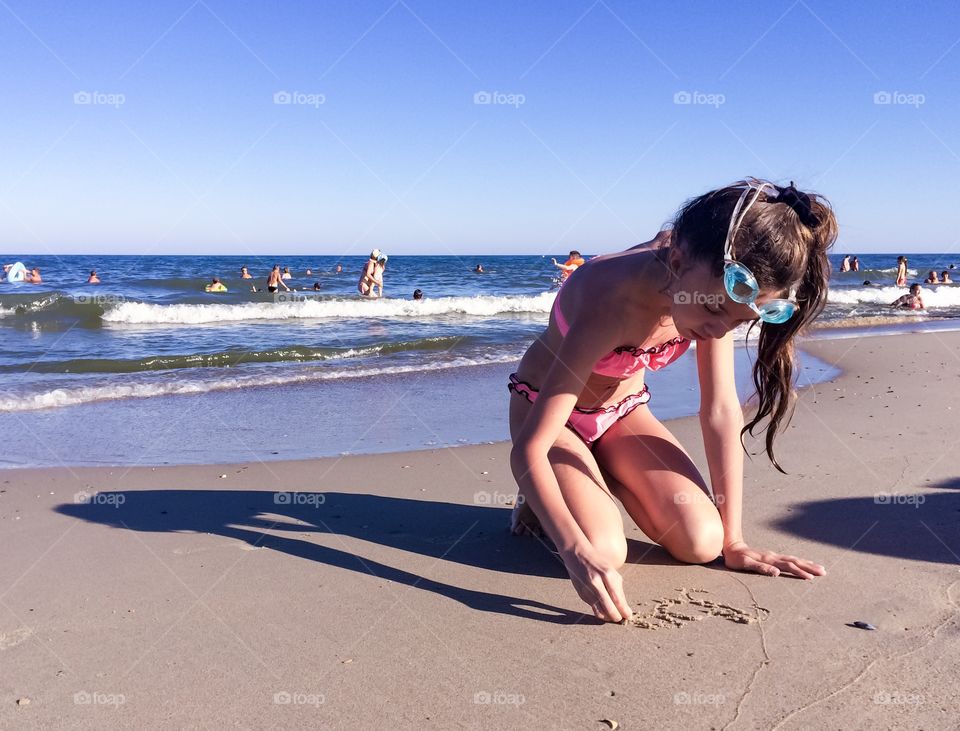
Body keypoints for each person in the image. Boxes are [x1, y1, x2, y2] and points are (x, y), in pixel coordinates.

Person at [508, 179, 835, 623]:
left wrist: (734, 541)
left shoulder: (712, 296)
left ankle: (600, 475)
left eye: (738, 322)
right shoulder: (612, 299)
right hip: (549, 420)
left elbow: (719, 411)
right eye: (717, 312)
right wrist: (572, 550)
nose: (720, 329)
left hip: (622, 415)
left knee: (703, 542)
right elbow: (529, 449)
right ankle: (545, 499)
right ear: (677, 261)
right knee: (603, 548)